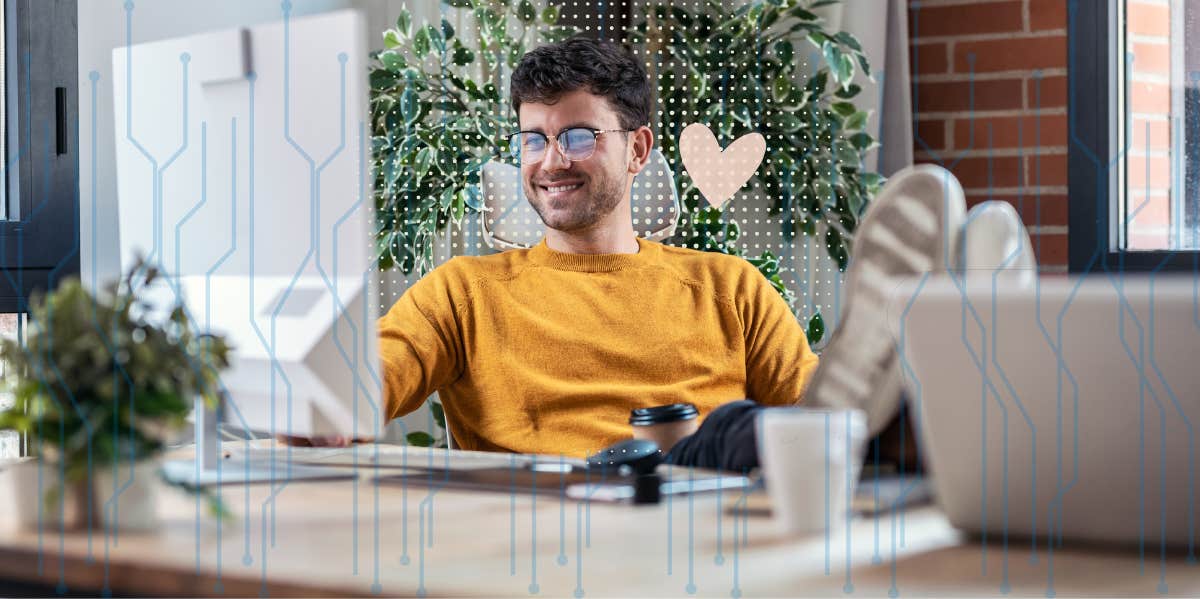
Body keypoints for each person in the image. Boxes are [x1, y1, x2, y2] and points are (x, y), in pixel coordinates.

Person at [375, 37, 819, 457]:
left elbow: (826, 419)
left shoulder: (731, 289)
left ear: (637, 149)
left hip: (692, 521)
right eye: (533, 140)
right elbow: (366, 381)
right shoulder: (463, 294)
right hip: (535, 525)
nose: (551, 162)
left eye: (579, 136)